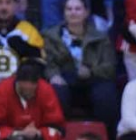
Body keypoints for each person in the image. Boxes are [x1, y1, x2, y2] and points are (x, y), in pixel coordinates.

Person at [42, 0, 118, 132]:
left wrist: (91, 71)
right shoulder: (51, 36)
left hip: (93, 79)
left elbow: (110, 66)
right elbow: (48, 61)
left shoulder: (101, 38)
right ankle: (58, 135)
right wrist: (54, 75)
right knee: (56, 90)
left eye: (77, 9)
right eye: (69, 9)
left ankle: (107, 136)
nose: (73, 13)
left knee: (106, 92)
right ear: (64, 13)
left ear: (86, 12)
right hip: (66, 78)